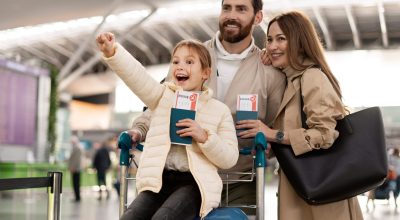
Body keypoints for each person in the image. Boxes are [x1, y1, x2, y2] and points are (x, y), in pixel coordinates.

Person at [127, 0, 286, 214]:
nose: (231, 15)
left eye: (241, 9)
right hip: (187, 177)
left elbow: (278, 124)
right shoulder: (192, 57)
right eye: (226, 7)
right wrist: (139, 129)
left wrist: (270, 145)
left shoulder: (269, 72)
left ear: (258, 17)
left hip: (240, 181)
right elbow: (163, 101)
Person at [96, 33, 239, 219]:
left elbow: (229, 158)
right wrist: (113, 51)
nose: (180, 66)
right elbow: (138, 78)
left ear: (206, 73)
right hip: (158, 182)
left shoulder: (219, 110)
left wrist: (204, 136)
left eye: (189, 62)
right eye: (176, 61)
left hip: (195, 184)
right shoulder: (163, 97)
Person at [253, 11, 363, 219]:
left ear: (299, 42)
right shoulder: (290, 81)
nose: (272, 46)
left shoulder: (312, 77)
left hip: (323, 195)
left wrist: (273, 134)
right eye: (269, 40)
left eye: (281, 39)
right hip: (303, 187)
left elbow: (324, 134)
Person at [68, 135, 83, 202]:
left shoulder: (77, 148)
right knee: (75, 183)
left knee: (76, 183)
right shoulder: (76, 148)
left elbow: (76, 160)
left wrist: (73, 167)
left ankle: (77, 197)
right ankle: (76, 197)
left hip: (76, 169)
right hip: (75, 169)